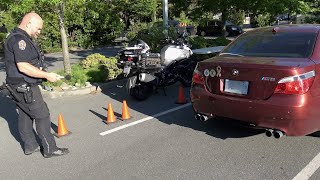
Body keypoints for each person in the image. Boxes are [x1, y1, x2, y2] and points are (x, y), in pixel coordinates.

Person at [3, 12, 69, 158]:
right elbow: (23, 66)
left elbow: (28, 64)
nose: (39, 32)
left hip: (16, 86)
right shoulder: (20, 40)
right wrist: (46, 75)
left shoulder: (16, 37)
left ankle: (30, 146)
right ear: (28, 23)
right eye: (38, 28)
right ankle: (49, 148)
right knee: (42, 115)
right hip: (25, 87)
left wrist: (43, 74)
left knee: (25, 115)